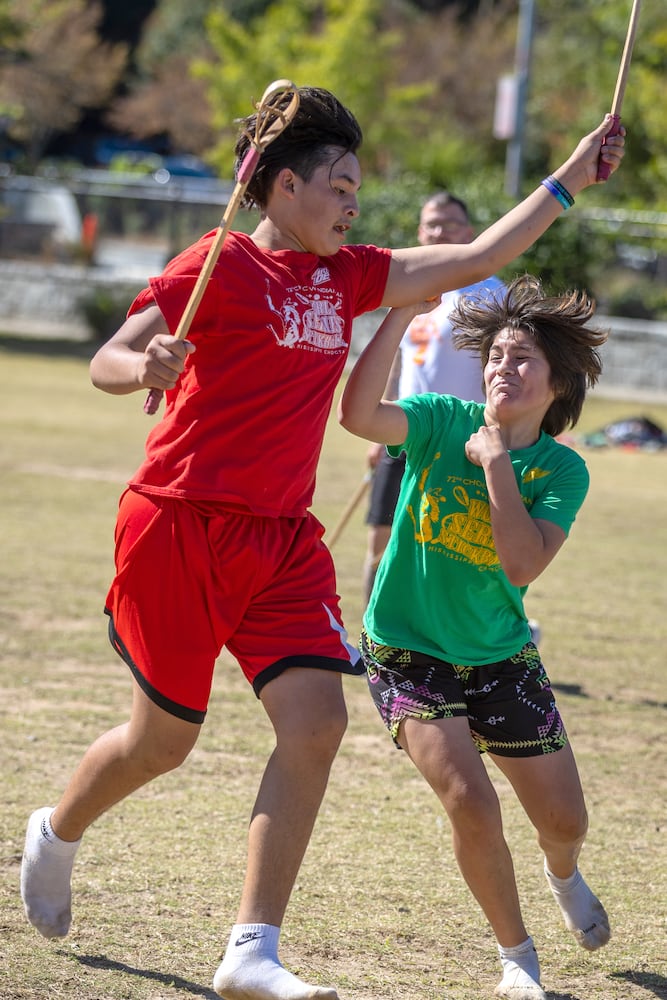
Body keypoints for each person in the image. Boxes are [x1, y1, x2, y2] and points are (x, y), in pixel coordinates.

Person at [19, 84, 623, 1000]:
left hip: (281, 543)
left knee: (318, 723)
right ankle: (56, 832)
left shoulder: (353, 276)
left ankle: (249, 949)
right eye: (338, 184)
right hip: (177, 525)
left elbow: (481, 253)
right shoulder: (216, 260)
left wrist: (575, 172)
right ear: (286, 186)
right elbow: (114, 354)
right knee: (163, 743)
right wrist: (141, 365)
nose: (352, 202)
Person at [338, 273, 612, 1000]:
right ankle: (515, 959)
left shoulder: (559, 468)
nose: (501, 368)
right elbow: (358, 415)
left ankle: (563, 874)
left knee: (563, 819)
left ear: (556, 383)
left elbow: (522, 563)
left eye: (522, 358)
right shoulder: (438, 419)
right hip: (405, 648)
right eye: (495, 355)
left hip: (497, 656)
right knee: (468, 798)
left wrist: (496, 463)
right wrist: (400, 316)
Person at [363, 190, 504, 604]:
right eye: (431, 224)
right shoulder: (411, 292)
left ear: (470, 233)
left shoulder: (494, 295)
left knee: (450, 543)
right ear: (420, 233)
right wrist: (377, 428)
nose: (439, 231)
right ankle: (375, 634)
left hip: (462, 439)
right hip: (402, 430)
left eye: (449, 223)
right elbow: (400, 363)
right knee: (382, 536)